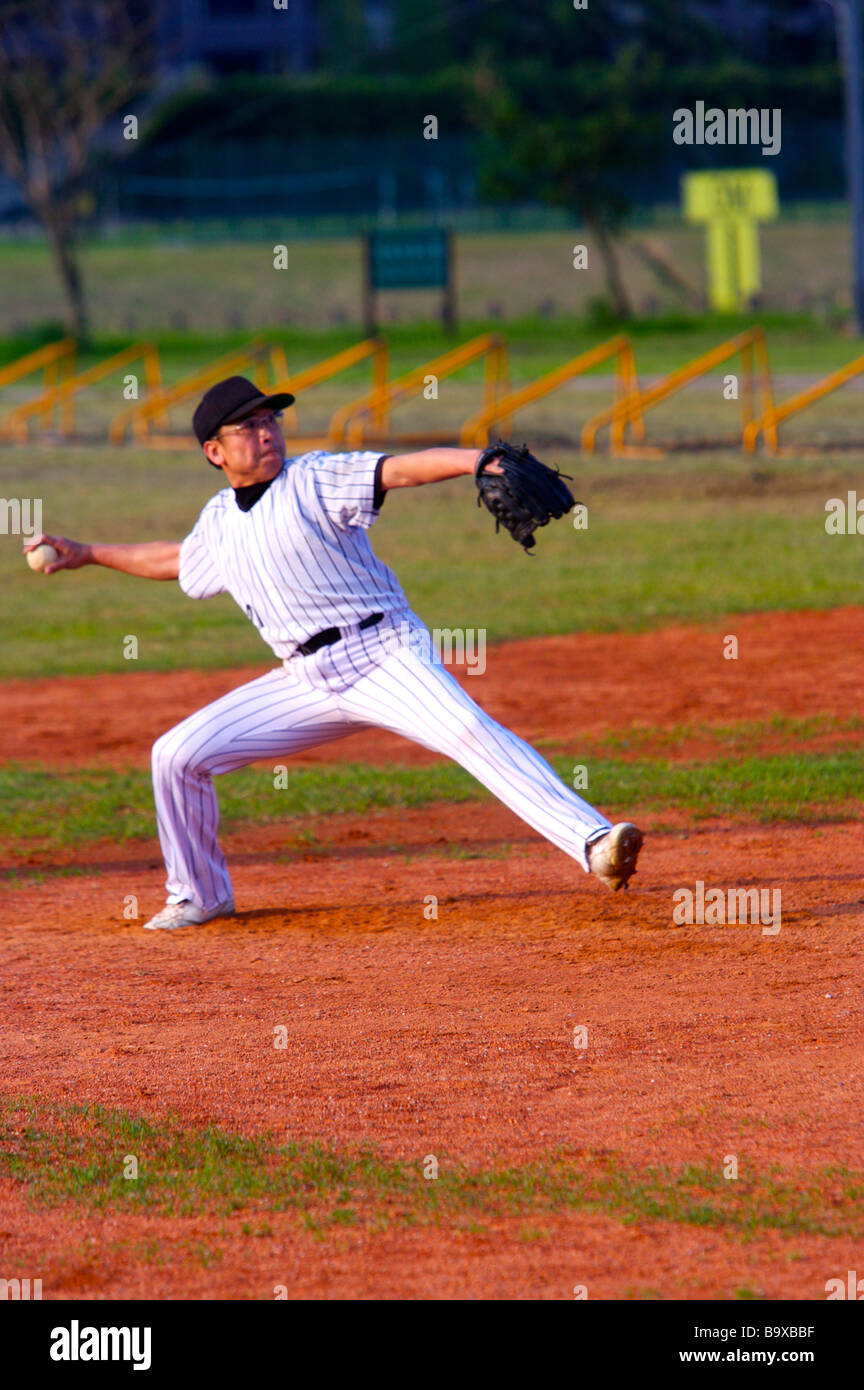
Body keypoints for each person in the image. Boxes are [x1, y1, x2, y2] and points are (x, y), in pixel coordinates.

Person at [25, 375, 643, 929]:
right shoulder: (217, 522)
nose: (266, 432)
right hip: (305, 680)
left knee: (466, 730)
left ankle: (593, 843)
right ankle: (199, 896)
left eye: (272, 420)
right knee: (175, 756)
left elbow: (398, 469)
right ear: (215, 452)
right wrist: (87, 553)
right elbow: (174, 560)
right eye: (249, 426)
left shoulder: (313, 479)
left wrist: (476, 459)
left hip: (384, 654)